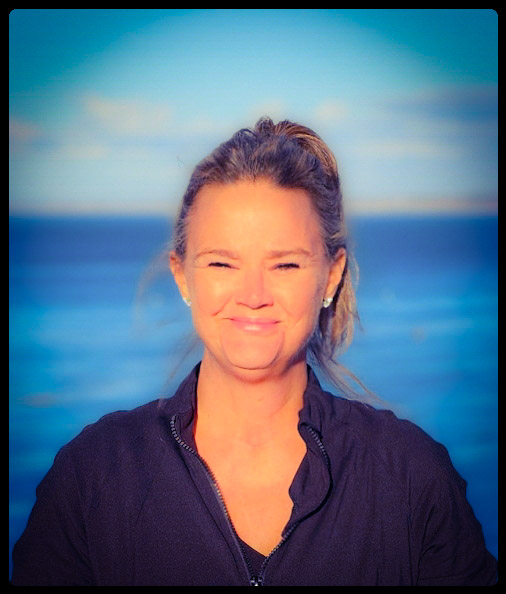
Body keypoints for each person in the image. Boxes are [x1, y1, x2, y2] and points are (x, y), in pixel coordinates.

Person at [11, 117, 497, 586]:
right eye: (222, 263)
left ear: (331, 276)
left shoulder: (410, 478)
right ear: (183, 275)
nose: (253, 295)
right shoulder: (93, 476)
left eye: (285, 265)